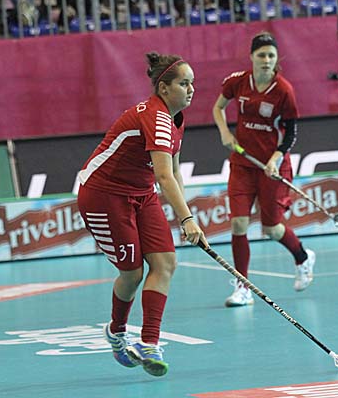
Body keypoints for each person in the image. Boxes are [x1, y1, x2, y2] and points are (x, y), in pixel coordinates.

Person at [77, 52, 207, 377]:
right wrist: (187, 219)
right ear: (164, 88)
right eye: (184, 83)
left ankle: (149, 343)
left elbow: (173, 172)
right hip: (104, 195)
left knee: (166, 263)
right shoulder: (156, 117)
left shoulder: (176, 118)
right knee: (132, 273)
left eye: (192, 83)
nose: (191, 89)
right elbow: (163, 176)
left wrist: (185, 215)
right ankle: (116, 331)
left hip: (141, 193)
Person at [212, 32, 316, 307]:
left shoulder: (284, 90)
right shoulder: (237, 82)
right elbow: (218, 107)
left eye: (271, 55)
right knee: (238, 223)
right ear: (252, 57)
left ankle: (302, 257)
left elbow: (291, 132)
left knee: (271, 228)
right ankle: (242, 287)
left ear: (276, 58)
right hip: (242, 163)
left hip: (271, 165)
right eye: (262, 55)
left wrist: (275, 159)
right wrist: (225, 132)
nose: (267, 60)